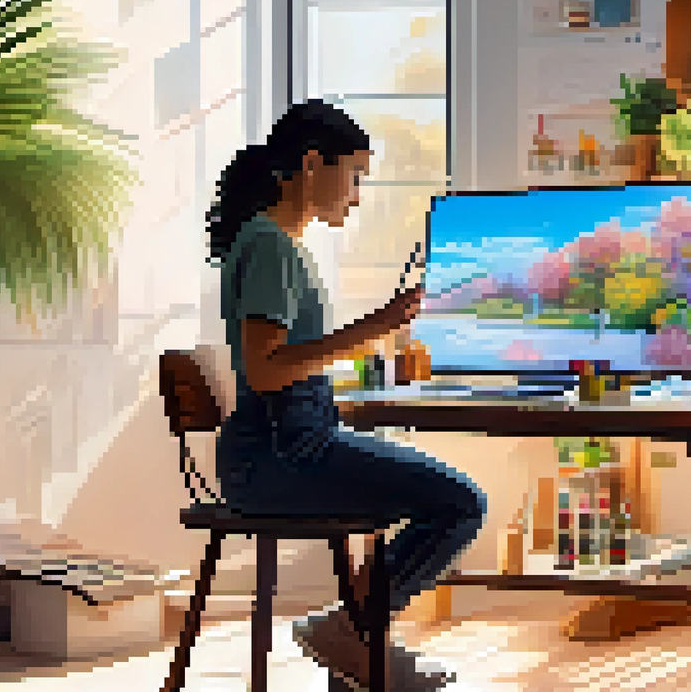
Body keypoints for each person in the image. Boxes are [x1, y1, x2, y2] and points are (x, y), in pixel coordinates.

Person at [206, 100, 484, 680]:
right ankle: (352, 630)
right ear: (312, 165)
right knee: (460, 503)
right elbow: (265, 371)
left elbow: (284, 362)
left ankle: (354, 632)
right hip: (283, 455)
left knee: (445, 498)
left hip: (285, 445)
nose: (356, 195)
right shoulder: (270, 247)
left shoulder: (274, 243)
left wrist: (366, 336)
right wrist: (373, 329)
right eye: (354, 175)